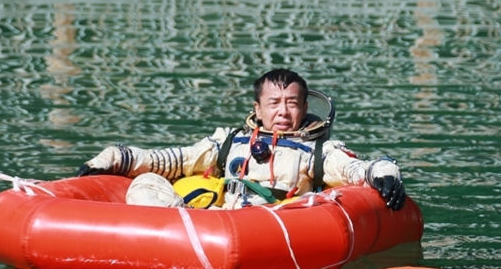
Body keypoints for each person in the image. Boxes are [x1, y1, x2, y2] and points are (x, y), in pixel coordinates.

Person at [77, 69, 406, 210]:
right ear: (258, 109)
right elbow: (173, 160)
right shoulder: (229, 141)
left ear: (305, 108)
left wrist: (385, 174)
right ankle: (176, 238)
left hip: (277, 227)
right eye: (274, 103)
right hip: (215, 224)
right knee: (146, 183)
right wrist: (115, 158)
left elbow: (357, 170)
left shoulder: (318, 153)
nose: (283, 112)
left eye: (292, 103)